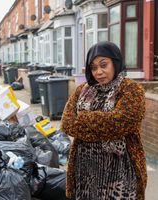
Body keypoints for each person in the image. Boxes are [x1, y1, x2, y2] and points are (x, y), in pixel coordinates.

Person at [61, 41, 147, 200]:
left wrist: (85, 117)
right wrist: (105, 126)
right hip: (86, 170)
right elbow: (67, 123)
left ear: (115, 63)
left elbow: (122, 122)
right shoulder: (82, 90)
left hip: (120, 170)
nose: (98, 72)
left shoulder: (131, 89)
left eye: (103, 65)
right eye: (93, 67)